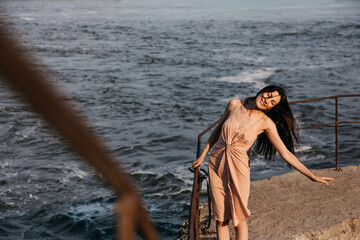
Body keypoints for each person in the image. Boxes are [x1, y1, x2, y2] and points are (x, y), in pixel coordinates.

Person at [192, 85, 334, 240]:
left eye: (272, 102)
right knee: (221, 219)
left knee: (239, 221)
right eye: (268, 95)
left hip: (238, 169)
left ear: (272, 108)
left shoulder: (265, 122)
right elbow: (218, 130)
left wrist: (311, 176)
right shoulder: (234, 104)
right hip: (216, 164)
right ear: (262, 91)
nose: (267, 100)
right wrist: (203, 155)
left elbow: (285, 153)